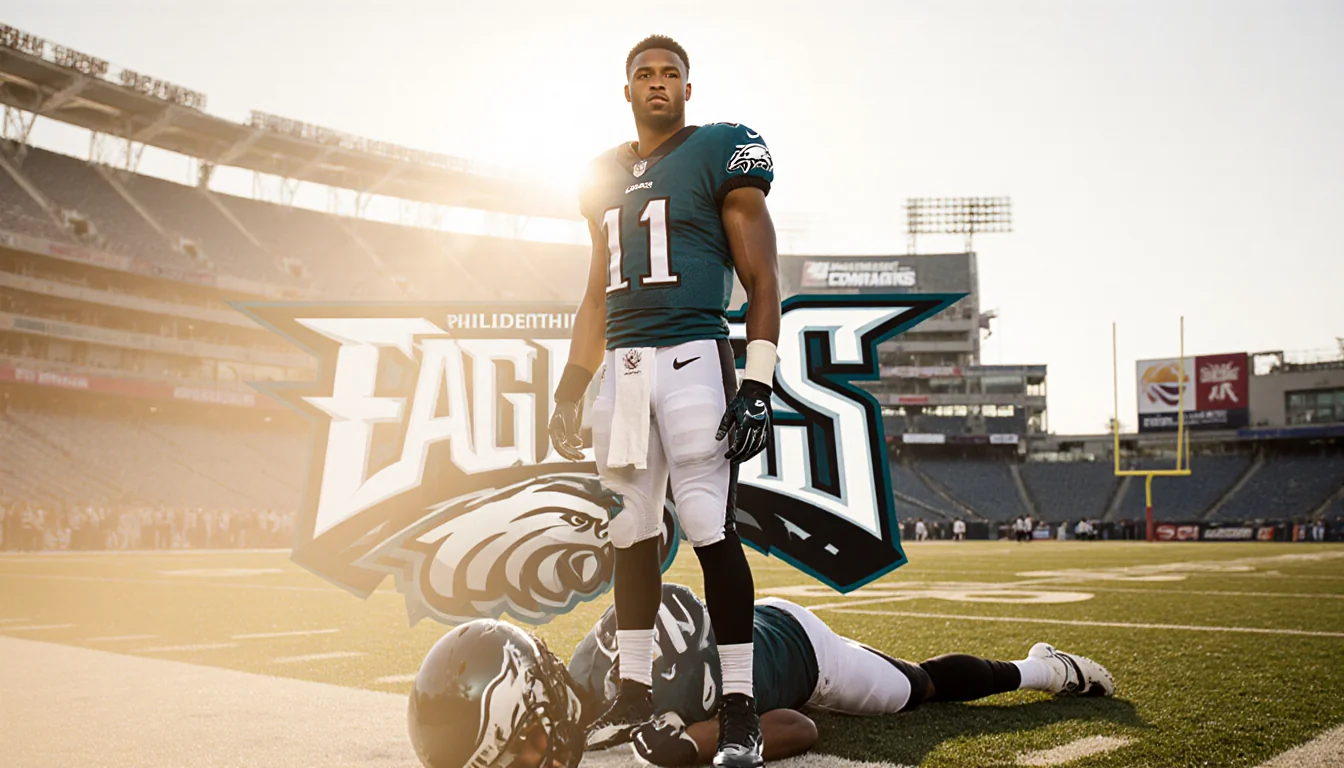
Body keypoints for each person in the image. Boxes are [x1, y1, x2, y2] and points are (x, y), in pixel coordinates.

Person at [546, 34, 780, 768]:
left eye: (669, 74)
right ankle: (633, 696)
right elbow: (593, 291)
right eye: (643, 74)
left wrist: (757, 383)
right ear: (626, 91)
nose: (656, 84)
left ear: (687, 87)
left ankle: (740, 708)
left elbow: (763, 278)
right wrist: (570, 386)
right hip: (620, 367)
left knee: (709, 521)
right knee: (632, 533)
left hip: (691, 357)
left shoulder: (720, 147)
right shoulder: (600, 173)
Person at [405, 584, 1115, 768]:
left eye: (521, 744)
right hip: (743, 631)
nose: (531, 757)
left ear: (537, 699)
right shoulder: (594, 680)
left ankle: (1043, 669)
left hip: (800, 653)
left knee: (915, 689)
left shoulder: (653, 684)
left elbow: (799, 725)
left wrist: (696, 742)